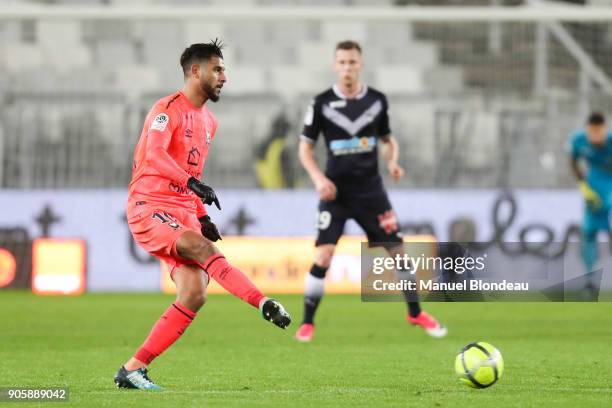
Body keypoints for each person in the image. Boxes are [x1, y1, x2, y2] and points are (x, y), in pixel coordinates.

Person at [114, 40, 291, 391]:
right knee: (205, 253)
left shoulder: (209, 121)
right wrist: (192, 184)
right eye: (217, 69)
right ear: (196, 71)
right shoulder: (166, 109)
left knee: (194, 293)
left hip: (183, 212)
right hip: (150, 207)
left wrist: (202, 214)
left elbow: (189, 170)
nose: (224, 77)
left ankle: (133, 369)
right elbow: (156, 157)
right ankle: (262, 302)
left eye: (223, 70)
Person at [295, 40, 446, 342]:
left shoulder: (377, 101)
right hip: (335, 193)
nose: (347, 67)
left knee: (398, 253)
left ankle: (415, 313)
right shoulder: (321, 103)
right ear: (335, 66)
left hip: (370, 192)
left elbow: (389, 140)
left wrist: (393, 162)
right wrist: (318, 180)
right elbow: (305, 149)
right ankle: (307, 322)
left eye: (352, 62)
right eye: (342, 62)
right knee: (324, 255)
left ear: (361, 65)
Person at [569, 112, 612, 296]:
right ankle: (589, 281)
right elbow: (572, 161)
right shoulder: (579, 140)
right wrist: (583, 185)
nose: (595, 135)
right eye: (591, 131)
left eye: (598, 131)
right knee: (588, 234)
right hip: (593, 188)